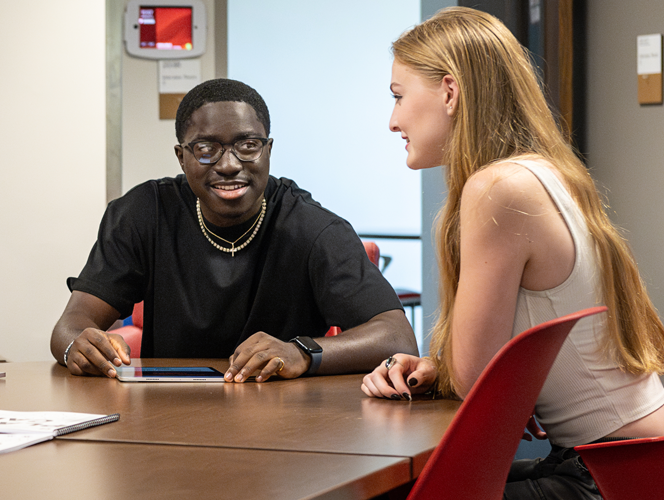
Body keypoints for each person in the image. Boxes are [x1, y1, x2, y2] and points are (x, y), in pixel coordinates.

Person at [362, 8, 664, 499]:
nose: (392, 121)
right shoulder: (541, 172)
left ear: (450, 92)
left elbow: (473, 382)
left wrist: (448, 368)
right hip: (636, 459)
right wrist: (438, 366)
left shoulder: (498, 189)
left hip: (613, 477)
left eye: (398, 97)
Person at [51, 78, 417, 382]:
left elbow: (396, 336)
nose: (229, 165)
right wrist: (77, 345)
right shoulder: (143, 213)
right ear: (182, 157)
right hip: (165, 416)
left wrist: (300, 352)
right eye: (207, 148)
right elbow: (71, 324)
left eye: (247, 146)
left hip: (285, 426)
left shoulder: (313, 228)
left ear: (268, 150)